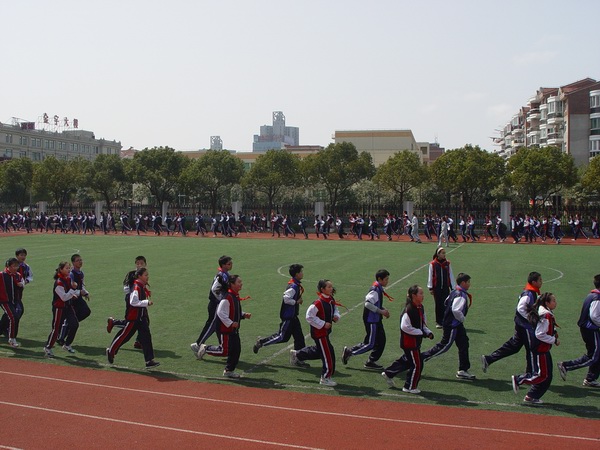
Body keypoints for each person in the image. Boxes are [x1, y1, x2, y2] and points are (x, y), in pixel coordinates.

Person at [481, 272, 542, 376]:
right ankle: (532, 373)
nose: (542, 282)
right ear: (534, 282)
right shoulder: (529, 294)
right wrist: (530, 319)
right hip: (525, 326)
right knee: (532, 348)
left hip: (520, 324)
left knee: (514, 346)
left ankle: (489, 359)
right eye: (540, 280)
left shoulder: (531, 292)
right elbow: (520, 308)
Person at [421, 273, 476, 380]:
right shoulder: (461, 295)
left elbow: (446, 302)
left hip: (455, 325)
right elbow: (455, 309)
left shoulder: (454, 292)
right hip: (453, 325)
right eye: (468, 282)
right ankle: (418, 359)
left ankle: (463, 370)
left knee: (464, 343)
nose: (469, 284)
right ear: (463, 283)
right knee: (443, 347)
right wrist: (462, 318)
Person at [381, 285, 434, 393]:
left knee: (408, 360)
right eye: (421, 293)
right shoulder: (409, 310)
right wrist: (420, 332)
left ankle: (389, 373)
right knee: (417, 364)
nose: (423, 296)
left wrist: (427, 332)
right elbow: (405, 327)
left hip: (415, 342)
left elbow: (422, 323)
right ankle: (409, 386)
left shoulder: (420, 307)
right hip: (409, 343)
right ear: (414, 295)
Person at [196, 275, 251, 378]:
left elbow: (233, 310)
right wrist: (230, 323)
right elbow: (221, 312)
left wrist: (243, 315)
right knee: (224, 351)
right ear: (232, 284)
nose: (241, 284)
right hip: (225, 329)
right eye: (239, 282)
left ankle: (229, 370)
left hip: (233, 329)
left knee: (236, 350)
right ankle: (206, 348)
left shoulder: (235, 296)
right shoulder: (227, 297)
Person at [106, 267, 160, 368]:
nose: (147, 277)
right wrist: (146, 302)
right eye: (145, 275)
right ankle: (111, 351)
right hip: (134, 318)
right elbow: (133, 302)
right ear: (139, 276)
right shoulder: (136, 287)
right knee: (125, 336)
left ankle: (149, 361)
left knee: (146, 337)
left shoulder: (141, 286)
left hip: (141, 318)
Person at [290, 280, 341, 386]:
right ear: (322, 289)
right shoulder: (318, 303)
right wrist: (323, 324)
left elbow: (334, 309)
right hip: (319, 333)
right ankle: (325, 377)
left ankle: (297, 354)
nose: (331, 289)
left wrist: (336, 316)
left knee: (321, 351)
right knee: (327, 354)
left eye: (331, 287)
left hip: (325, 332)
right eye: (329, 287)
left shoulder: (330, 299)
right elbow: (309, 316)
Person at [511, 292, 559, 404]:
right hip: (541, 349)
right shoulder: (546, 314)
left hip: (543, 348)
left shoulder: (544, 312)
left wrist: (554, 331)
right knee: (543, 375)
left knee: (548, 376)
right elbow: (540, 334)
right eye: (553, 301)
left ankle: (531, 396)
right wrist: (554, 340)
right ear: (547, 303)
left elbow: (543, 327)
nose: (555, 303)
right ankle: (519, 380)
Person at [254, 264, 307, 360]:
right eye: (301, 272)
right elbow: (286, 299)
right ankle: (261, 342)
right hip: (288, 317)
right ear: (296, 274)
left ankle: (298, 358)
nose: (302, 273)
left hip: (294, 316)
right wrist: (296, 302)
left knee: (299, 338)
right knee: (282, 337)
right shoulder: (293, 286)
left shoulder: (296, 284)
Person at [556, 274, 600, 388]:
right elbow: (594, 316)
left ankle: (591, 378)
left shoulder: (592, 295)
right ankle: (566, 366)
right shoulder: (597, 298)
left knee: (598, 354)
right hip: (591, 329)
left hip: (587, 328)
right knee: (593, 356)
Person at [342, 269, 391, 370]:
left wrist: (382, 309)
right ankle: (350, 353)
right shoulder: (375, 290)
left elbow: (375, 303)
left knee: (381, 340)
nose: (387, 281)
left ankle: (371, 361)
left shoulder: (379, 288)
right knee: (371, 343)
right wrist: (381, 311)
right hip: (371, 320)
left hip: (376, 319)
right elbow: (368, 304)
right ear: (379, 279)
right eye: (386, 279)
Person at [191, 255, 232, 356]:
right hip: (215, 304)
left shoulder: (226, 274)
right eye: (229, 264)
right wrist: (221, 300)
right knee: (212, 325)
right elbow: (214, 289)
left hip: (218, 304)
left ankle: (223, 347)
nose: (231, 265)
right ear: (223, 265)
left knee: (218, 325)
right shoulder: (221, 276)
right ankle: (198, 344)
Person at [107, 256, 147, 349]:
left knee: (144, 320)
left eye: (141, 263)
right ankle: (113, 322)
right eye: (138, 263)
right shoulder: (132, 274)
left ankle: (138, 341)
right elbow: (126, 288)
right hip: (132, 301)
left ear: (145, 264)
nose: (139, 265)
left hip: (141, 301)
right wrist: (133, 294)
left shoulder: (144, 274)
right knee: (132, 322)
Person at [43, 261, 80, 357]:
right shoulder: (59, 282)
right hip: (59, 308)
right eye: (67, 268)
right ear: (61, 269)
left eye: (69, 268)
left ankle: (67, 344)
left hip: (68, 306)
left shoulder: (68, 279)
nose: (69, 270)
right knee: (56, 329)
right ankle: (48, 347)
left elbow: (69, 294)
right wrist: (73, 290)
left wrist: (74, 294)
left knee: (74, 324)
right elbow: (63, 297)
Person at [58, 254, 90, 346]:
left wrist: (85, 292)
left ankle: (69, 326)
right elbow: (69, 286)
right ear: (73, 263)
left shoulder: (81, 273)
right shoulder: (71, 274)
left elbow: (82, 284)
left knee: (86, 312)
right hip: (72, 298)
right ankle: (62, 337)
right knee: (71, 317)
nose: (80, 262)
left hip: (78, 297)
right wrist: (79, 292)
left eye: (81, 260)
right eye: (77, 260)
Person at [427, 247, 455, 329]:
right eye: (442, 253)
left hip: (446, 287)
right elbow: (430, 276)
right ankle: (439, 322)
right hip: (437, 288)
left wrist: (453, 287)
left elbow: (451, 275)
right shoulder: (433, 264)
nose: (444, 254)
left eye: (444, 253)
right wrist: (430, 288)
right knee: (438, 304)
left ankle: (446, 320)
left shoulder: (447, 263)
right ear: (438, 254)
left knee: (446, 304)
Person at [0, 258, 22, 348]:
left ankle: (11, 337)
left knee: (14, 317)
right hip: (4, 300)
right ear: (8, 266)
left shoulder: (18, 275)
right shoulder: (1, 275)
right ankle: (12, 339)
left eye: (17, 266)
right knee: (13, 317)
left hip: (12, 301)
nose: (16, 268)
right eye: (14, 266)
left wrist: (21, 285)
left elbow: (21, 285)